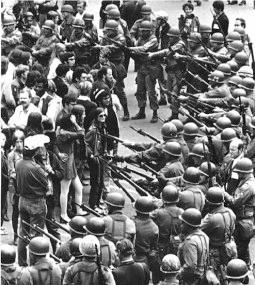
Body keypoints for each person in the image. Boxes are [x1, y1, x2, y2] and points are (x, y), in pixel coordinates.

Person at [16, 134, 49, 266]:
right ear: (35, 151)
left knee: (23, 235)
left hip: (22, 201)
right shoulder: (36, 168)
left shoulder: (19, 163)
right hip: (36, 203)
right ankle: (34, 265)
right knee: (36, 238)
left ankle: (22, 263)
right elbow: (46, 184)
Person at [56, 97, 87, 222]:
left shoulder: (63, 131)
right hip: (67, 162)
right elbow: (81, 133)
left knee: (79, 188)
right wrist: (75, 122)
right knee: (65, 190)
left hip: (70, 160)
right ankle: (63, 215)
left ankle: (78, 210)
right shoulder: (65, 133)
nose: (84, 116)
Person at [201, 187, 236, 283]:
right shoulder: (231, 213)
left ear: (209, 202)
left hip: (214, 251)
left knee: (213, 277)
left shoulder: (211, 218)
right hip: (229, 248)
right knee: (227, 274)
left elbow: (198, 229)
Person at [224, 158, 255, 265]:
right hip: (244, 221)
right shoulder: (245, 182)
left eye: (239, 173)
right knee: (243, 250)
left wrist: (224, 194)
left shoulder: (248, 186)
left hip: (243, 222)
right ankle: (245, 272)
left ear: (244, 173)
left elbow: (235, 202)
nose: (238, 174)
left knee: (238, 250)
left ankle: (239, 273)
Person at [130, 21, 161, 123]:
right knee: (140, 90)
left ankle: (155, 113)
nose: (143, 33)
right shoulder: (140, 38)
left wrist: (131, 49)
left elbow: (144, 48)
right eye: (141, 31)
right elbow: (136, 47)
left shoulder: (153, 40)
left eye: (145, 31)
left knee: (151, 92)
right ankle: (141, 111)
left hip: (151, 68)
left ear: (150, 31)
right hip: (142, 67)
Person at [178, 208, 209, 285]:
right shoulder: (204, 236)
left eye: (183, 223)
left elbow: (190, 267)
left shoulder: (190, 241)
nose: (181, 225)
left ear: (189, 225)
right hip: (202, 276)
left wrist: (177, 274)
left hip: (191, 280)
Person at [85, 108, 108, 211]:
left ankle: (98, 202)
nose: (103, 118)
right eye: (100, 116)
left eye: (104, 115)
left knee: (101, 181)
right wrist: (91, 155)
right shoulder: (93, 130)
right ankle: (93, 204)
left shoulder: (102, 127)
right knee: (96, 182)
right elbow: (85, 143)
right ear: (96, 117)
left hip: (102, 157)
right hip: (95, 158)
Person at [133, 196, 160, 285]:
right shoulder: (154, 227)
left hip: (132, 257)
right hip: (145, 260)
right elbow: (154, 248)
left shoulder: (132, 223)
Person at [152, 185, 183, 258]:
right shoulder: (182, 212)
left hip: (161, 246)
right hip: (177, 246)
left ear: (163, 199)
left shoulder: (158, 213)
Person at [7, 129, 25, 245]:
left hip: (26, 187)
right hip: (16, 187)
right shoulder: (11, 155)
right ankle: (15, 235)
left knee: (25, 212)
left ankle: (24, 234)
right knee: (15, 213)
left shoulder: (27, 152)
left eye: (21, 141)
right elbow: (11, 172)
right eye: (17, 141)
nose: (19, 144)